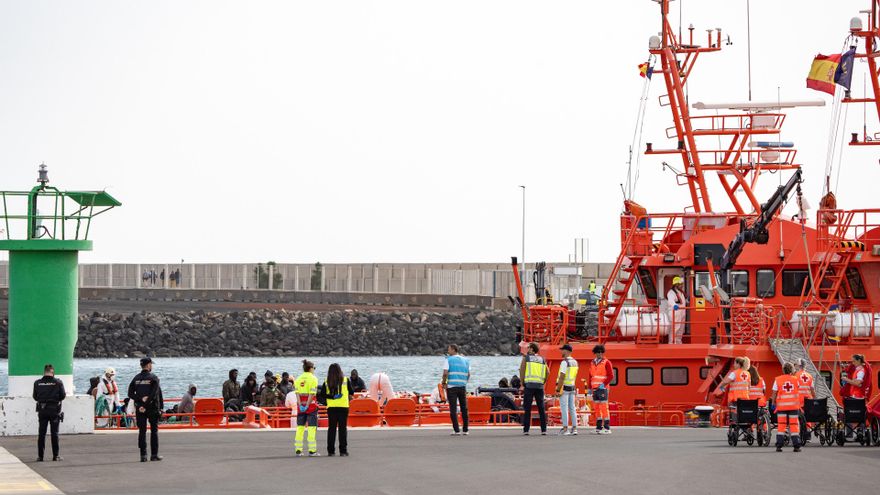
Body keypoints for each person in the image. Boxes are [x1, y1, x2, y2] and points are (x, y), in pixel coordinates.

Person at [128, 357, 163, 462]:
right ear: (148, 365)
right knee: (154, 431)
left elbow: (130, 394)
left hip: (140, 408)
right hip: (152, 408)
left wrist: (141, 402)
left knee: (142, 431)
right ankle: (154, 455)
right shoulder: (154, 378)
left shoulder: (136, 378)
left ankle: (143, 455)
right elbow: (154, 394)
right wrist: (148, 404)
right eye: (151, 364)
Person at [32, 364, 65, 462]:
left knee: (41, 433)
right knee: (54, 433)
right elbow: (63, 396)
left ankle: (40, 457)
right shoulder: (58, 382)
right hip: (54, 410)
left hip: (42, 410)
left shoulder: (37, 383)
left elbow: (35, 397)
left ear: (44, 372)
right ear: (53, 372)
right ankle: (56, 456)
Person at [320, 363, 353, 456]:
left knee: (332, 429)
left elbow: (322, 394)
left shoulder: (326, 381)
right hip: (343, 407)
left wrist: (332, 397)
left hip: (331, 408)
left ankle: (331, 451)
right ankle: (343, 451)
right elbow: (352, 392)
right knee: (342, 429)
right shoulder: (345, 380)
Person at [290, 359, 320, 456]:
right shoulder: (313, 379)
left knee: (300, 428)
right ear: (310, 368)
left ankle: (298, 450)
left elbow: (297, 394)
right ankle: (312, 450)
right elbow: (312, 394)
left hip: (300, 407)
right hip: (311, 407)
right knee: (311, 428)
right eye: (313, 368)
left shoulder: (298, 379)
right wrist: (307, 405)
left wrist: (301, 405)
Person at [770, 363, 802, 452]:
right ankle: (796, 446)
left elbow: (774, 393)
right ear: (792, 370)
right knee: (794, 426)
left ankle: (779, 445)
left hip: (782, 407)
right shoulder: (796, 379)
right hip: (793, 407)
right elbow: (798, 388)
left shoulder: (778, 380)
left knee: (781, 426)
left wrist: (773, 403)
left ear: (783, 370)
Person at [519, 342, 548, 435]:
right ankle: (543, 429)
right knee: (541, 408)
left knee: (527, 408)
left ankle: (526, 430)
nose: (527, 349)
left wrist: (522, 383)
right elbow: (548, 372)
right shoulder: (542, 359)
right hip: (539, 386)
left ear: (532, 349)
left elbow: (522, 370)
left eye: (528, 348)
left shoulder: (526, 358)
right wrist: (543, 381)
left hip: (529, 386)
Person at [442, 344, 470, 436]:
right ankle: (465, 430)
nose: (448, 351)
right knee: (464, 408)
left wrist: (444, 383)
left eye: (449, 349)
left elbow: (445, 373)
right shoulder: (466, 360)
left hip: (451, 387)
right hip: (462, 386)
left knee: (453, 409)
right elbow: (469, 374)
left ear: (453, 350)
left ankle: (456, 430)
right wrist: (464, 382)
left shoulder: (448, 359)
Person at [587, 344, 614, 434]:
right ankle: (598, 427)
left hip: (603, 388)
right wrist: (590, 388)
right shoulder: (592, 362)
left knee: (604, 407)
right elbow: (590, 376)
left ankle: (607, 428)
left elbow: (611, 376)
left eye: (601, 352)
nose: (599, 354)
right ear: (595, 353)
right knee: (597, 408)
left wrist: (604, 384)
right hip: (595, 388)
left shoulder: (607, 362)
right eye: (597, 352)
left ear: (603, 352)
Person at [715, 356, 750, 424]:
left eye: (734, 363)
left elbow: (726, 381)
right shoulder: (747, 373)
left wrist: (721, 386)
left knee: (735, 414)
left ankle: (735, 427)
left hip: (735, 398)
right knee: (743, 413)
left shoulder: (734, 373)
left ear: (738, 364)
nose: (734, 365)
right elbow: (749, 386)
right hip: (745, 397)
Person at [555, 344, 579, 436]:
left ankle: (565, 429)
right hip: (572, 387)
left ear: (567, 351)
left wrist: (558, 389)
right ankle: (574, 428)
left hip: (564, 388)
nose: (561, 351)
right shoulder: (575, 362)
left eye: (562, 350)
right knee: (572, 408)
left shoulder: (565, 362)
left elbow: (562, 376)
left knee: (564, 408)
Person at [795, 359, 815, 442]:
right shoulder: (809, 375)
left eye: (795, 365)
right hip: (808, 399)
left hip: (798, 399)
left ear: (799, 366)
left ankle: (798, 434)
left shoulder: (795, 375)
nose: (794, 366)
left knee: (797, 418)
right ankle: (808, 436)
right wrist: (814, 398)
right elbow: (812, 389)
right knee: (807, 417)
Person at [666, 276, 687, 344]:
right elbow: (671, 301)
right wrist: (674, 305)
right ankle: (672, 343)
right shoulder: (671, 293)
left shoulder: (680, 292)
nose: (681, 285)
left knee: (681, 329)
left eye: (682, 284)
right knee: (674, 328)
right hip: (675, 312)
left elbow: (683, 301)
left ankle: (678, 342)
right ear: (676, 284)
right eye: (680, 284)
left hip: (682, 312)